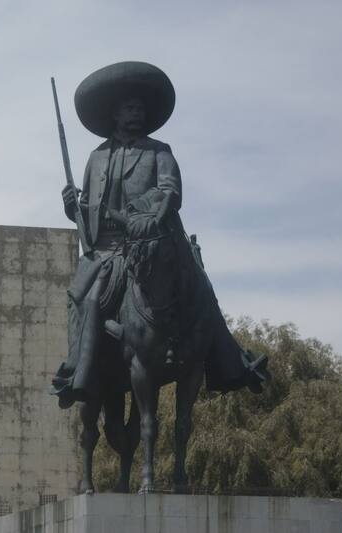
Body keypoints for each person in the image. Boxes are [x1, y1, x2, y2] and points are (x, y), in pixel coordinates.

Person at [51, 61, 267, 409]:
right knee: (85, 300)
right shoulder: (96, 157)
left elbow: (171, 192)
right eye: (129, 108)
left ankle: (231, 362)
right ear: (115, 114)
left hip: (151, 241)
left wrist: (154, 219)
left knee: (202, 289)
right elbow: (87, 214)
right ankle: (79, 371)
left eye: (140, 109)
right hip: (107, 251)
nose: (136, 114)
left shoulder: (159, 152)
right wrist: (70, 207)